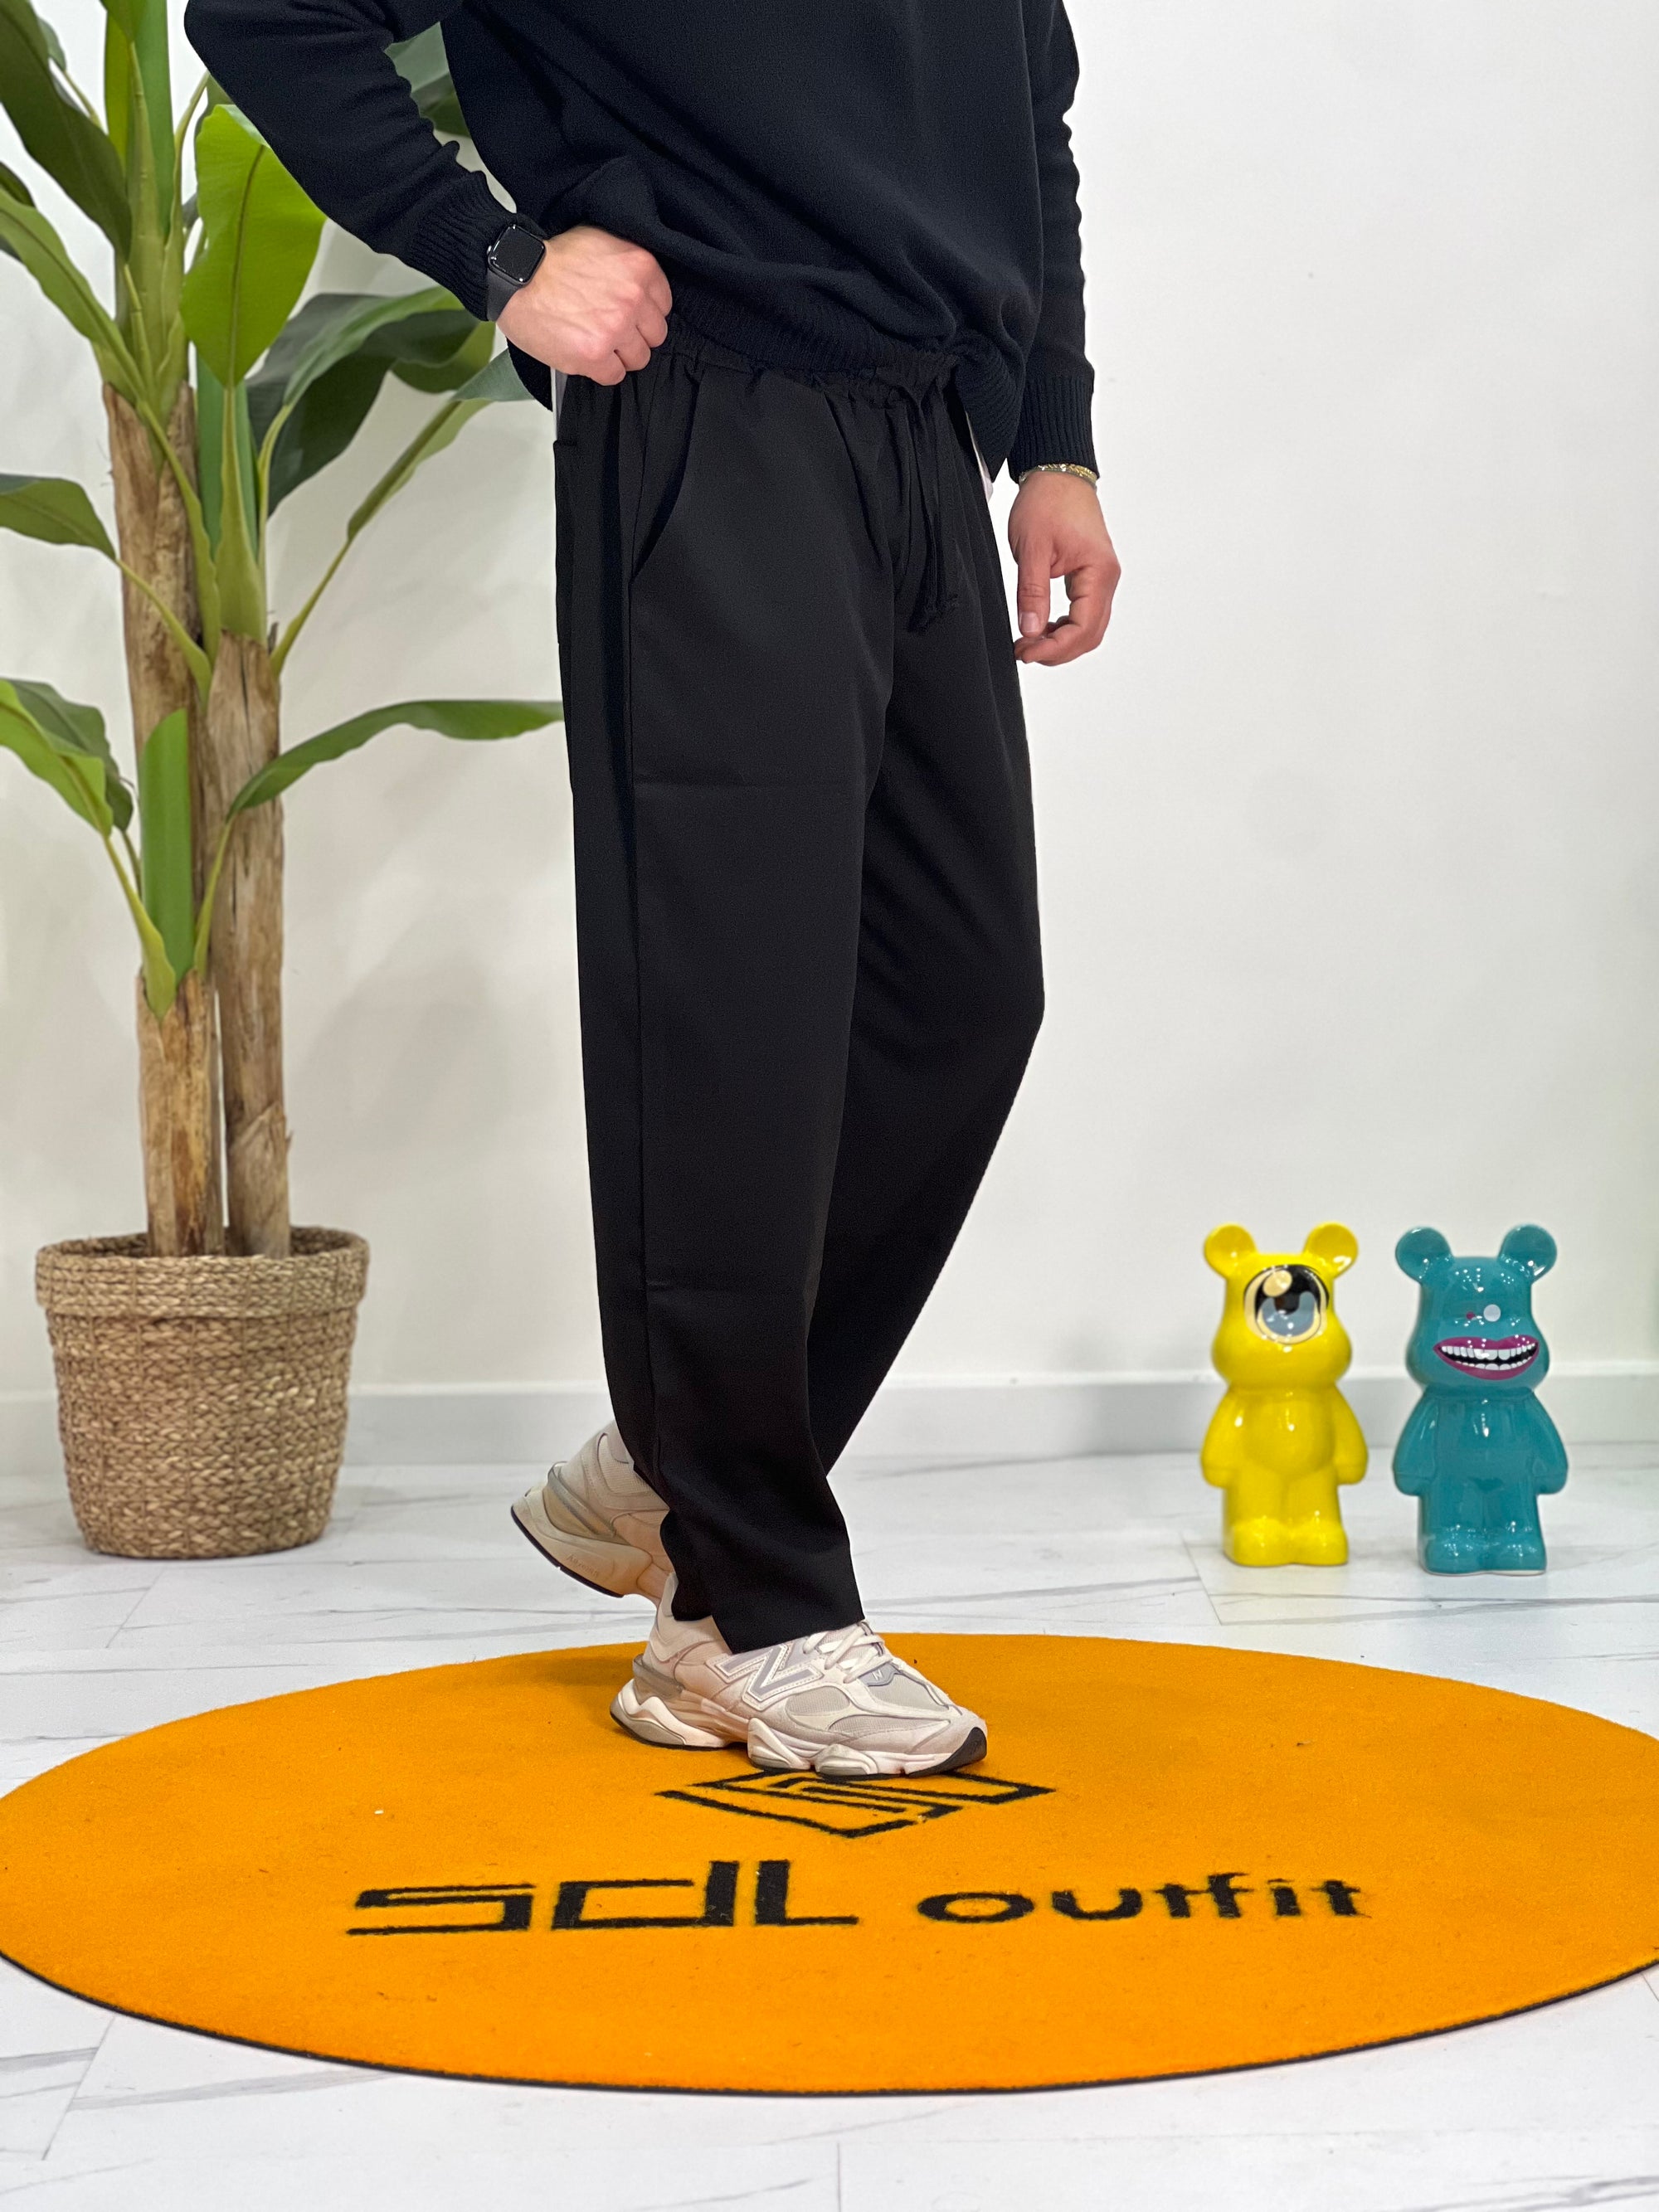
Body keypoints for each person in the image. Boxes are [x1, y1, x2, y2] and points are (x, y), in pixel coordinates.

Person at [187, 0, 1121, 1781]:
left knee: (964, 994)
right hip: (713, 418)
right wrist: (496, 257)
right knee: (731, 1028)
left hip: (925, 430)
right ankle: (745, 1618)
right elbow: (264, 11)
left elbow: (1029, 120)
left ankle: (680, 1457)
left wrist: (1054, 439)